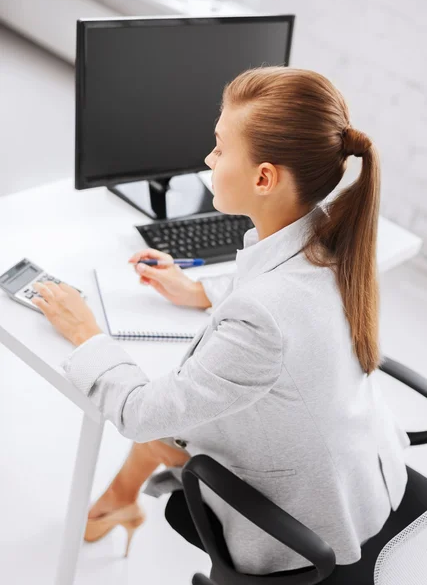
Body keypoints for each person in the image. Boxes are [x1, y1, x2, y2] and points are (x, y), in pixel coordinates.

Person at [32, 66, 410, 578]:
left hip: (308, 524)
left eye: (220, 147)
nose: (208, 159)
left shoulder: (262, 315)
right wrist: (197, 293)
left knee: (163, 415)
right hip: (369, 473)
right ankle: (118, 502)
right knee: (185, 408)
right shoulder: (330, 237)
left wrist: (84, 332)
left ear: (264, 178)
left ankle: (112, 505)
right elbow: (281, 304)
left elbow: (139, 412)